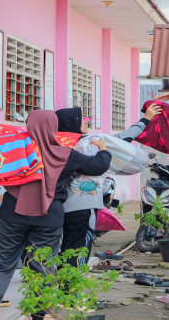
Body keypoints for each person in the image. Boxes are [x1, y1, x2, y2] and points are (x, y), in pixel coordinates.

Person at [0, 110, 111, 320]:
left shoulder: (12, 148)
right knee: (42, 265)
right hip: (49, 218)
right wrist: (102, 148)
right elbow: (99, 166)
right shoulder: (65, 154)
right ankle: (39, 317)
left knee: (0, 259)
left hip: (12, 214)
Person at [56, 104, 161, 268]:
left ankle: (63, 279)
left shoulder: (57, 146)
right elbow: (122, 139)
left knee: (65, 246)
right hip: (84, 206)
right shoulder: (90, 143)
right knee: (79, 248)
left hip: (60, 205)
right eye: (81, 119)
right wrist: (146, 119)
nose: (85, 121)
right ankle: (71, 281)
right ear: (71, 123)